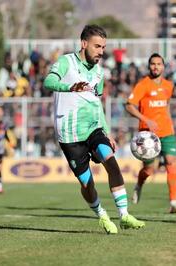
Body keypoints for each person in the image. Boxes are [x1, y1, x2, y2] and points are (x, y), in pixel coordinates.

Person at [43, 24, 145, 234]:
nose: (101, 51)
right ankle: (102, 215)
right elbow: (49, 81)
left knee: (112, 164)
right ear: (84, 44)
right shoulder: (66, 62)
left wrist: (106, 131)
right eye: (97, 46)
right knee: (86, 184)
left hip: (93, 130)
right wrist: (69, 87)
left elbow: (97, 103)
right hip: (70, 135)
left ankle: (124, 215)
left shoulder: (99, 72)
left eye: (103, 47)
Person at [125, 53, 176, 214]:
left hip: (166, 131)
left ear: (163, 67)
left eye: (159, 64)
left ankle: (173, 202)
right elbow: (129, 105)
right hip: (147, 135)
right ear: (149, 66)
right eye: (153, 64)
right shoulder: (142, 85)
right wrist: (146, 119)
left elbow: (166, 106)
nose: (156, 67)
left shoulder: (168, 86)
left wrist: (170, 123)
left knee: (171, 162)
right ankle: (139, 184)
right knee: (149, 170)